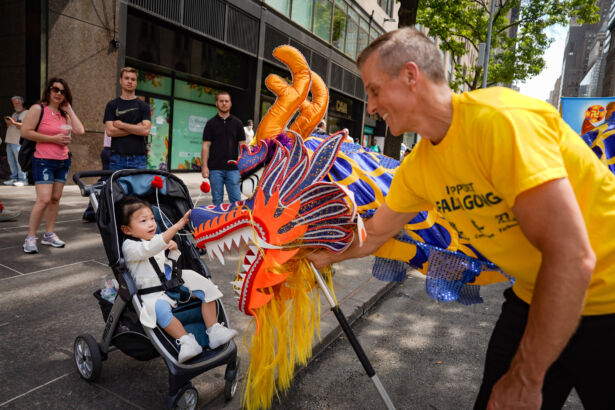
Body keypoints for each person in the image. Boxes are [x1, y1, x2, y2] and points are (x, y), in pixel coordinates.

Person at [308, 27, 615, 409]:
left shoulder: (501, 120)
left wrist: (525, 377)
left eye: (373, 90)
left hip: (607, 301)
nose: (369, 106)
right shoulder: (417, 168)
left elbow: (572, 258)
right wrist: (313, 255)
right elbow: (372, 235)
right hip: (534, 297)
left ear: (410, 75)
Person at [118, 196, 237, 362]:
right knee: (159, 310)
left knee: (206, 286)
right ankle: (186, 341)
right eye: (143, 221)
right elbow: (149, 249)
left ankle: (214, 330)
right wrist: (176, 227)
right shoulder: (130, 246)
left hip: (172, 282)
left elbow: (168, 265)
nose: (151, 224)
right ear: (127, 229)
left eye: (152, 218)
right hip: (152, 292)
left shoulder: (155, 239)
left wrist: (173, 251)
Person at [20, 78, 85, 253]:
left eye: (63, 92)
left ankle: (49, 234)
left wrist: (69, 109)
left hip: (62, 161)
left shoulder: (64, 114)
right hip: (43, 160)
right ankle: (30, 237)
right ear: (48, 90)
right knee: (44, 199)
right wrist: (53, 139)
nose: (58, 94)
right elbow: (25, 132)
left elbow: (80, 130)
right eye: (55, 89)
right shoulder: (37, 109)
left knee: (55, 199)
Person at [201, 91, 245, 206]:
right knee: (217, 201)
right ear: (217, 103)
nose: (224, 103)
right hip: (215, 169)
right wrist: (204, 166)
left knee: (236, 201)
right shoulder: (210, 124)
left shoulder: (238, 123)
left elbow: (243, 146)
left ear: (230, 104)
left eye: (226, 101)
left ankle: (235, 223)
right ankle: (218, 223)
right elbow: (205, 146)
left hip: (234, 169)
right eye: (221, 101)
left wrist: (244, 166)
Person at [104, 67, 152, 170]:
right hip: (117, 158)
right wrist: (136, 129)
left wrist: (122, 125)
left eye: (133, 79)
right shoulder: (111, 105)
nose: (130, 81)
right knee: (117, 187)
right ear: (121, 81)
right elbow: (110, 131)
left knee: (138, 187)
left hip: (138, 159)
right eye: (126, 78)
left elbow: (146, 130)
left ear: (136, 83)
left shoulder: (144, 106)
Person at [82, 130, 112, 222]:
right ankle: (91, 211)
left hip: (110, 149)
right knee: (106, 181)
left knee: (105, 180)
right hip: (114, 150)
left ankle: (91, 211)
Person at [3, 96, 28, 186]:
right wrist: (9, 124)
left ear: (23, 103)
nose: (15, 105)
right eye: (14, 103)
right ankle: (14, 178)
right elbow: (12, 127)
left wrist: (14, 123)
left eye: (17, 103)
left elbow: (26, 126)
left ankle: (23, 179)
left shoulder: (27, 113)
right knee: (11, 161)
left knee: (19, 161)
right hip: (10, 140)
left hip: (18, 141)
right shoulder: (14, 113)